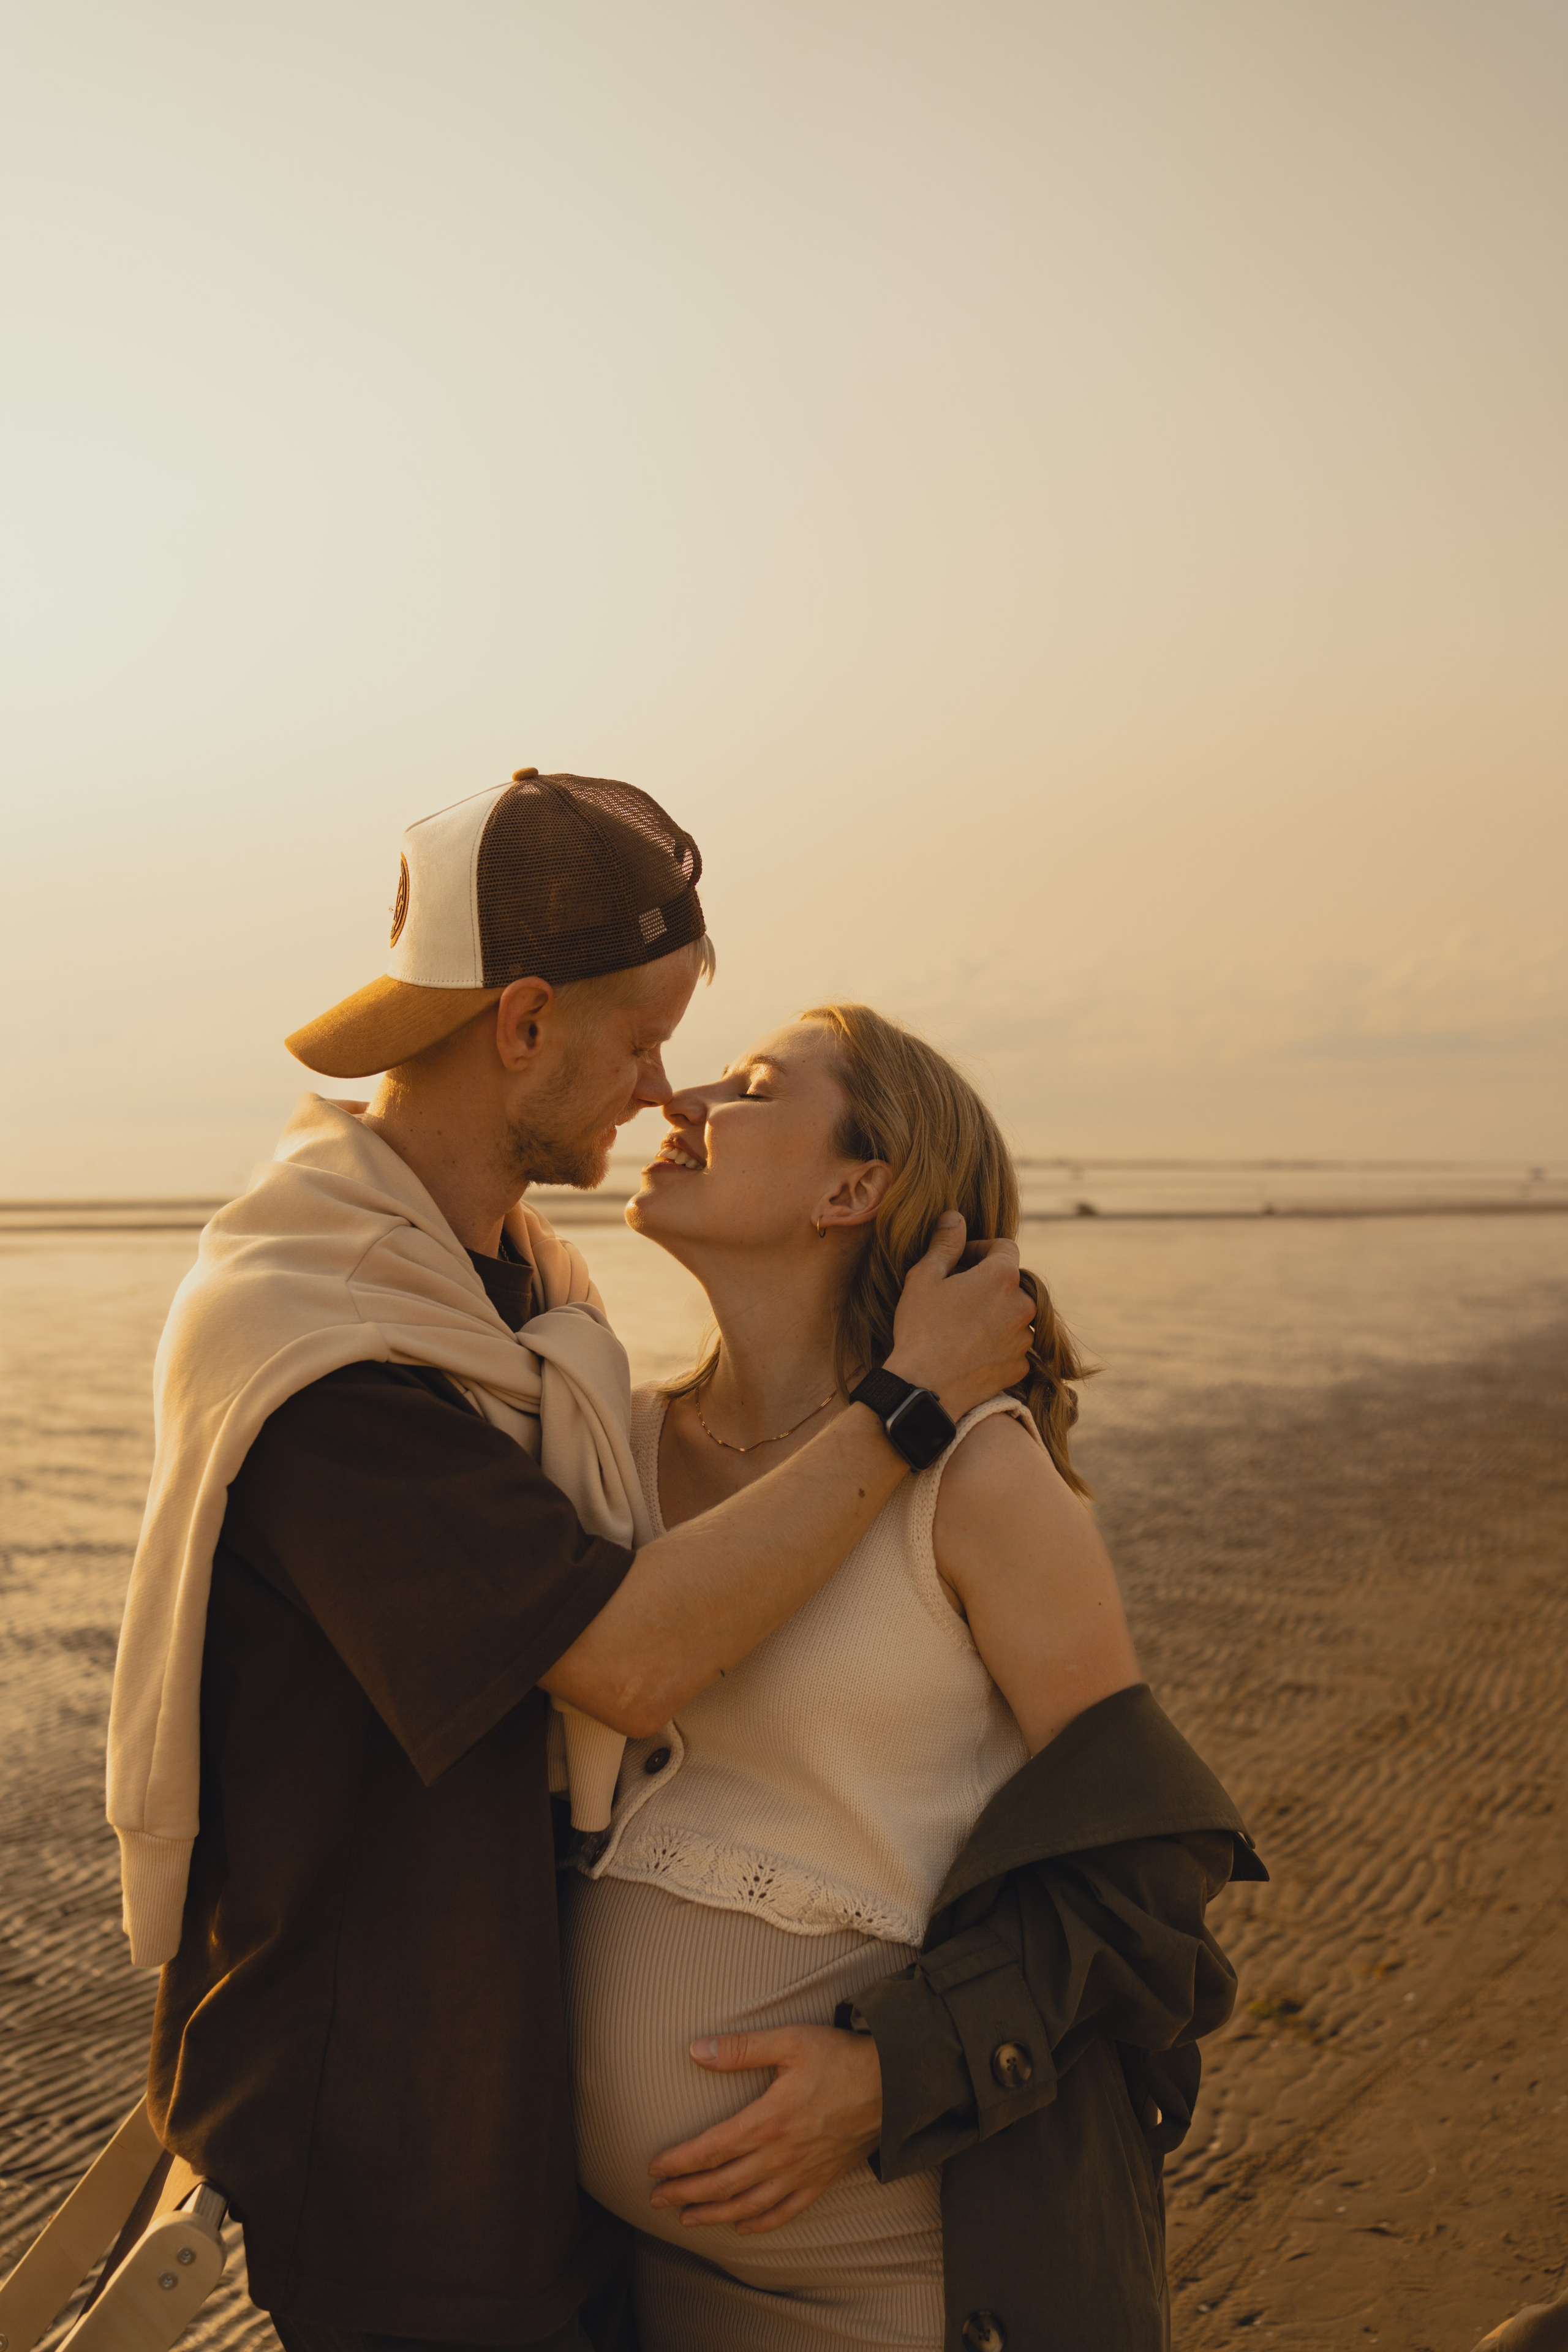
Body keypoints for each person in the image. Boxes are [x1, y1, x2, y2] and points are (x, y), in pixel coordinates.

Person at [107, 774, 1036, 2352]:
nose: (661, 1091)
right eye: (642, 1037)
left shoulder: (520, 1292)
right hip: (388, 2147)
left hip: (526, 2139)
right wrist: (908, 1402)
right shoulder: (330, 1341)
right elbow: (625, 1659)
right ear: (522, 1024)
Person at [562, 1001, 1266, 2352]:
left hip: (896, 2275)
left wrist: (897, 2074)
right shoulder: (612, 1445)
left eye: (754, 1086)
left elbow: (1150, 1874)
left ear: (853, 1187)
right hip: (647, 2285)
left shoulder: (980, 1480)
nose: (682, 1097)